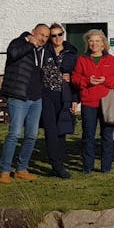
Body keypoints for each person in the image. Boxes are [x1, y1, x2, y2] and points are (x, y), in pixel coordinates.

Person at [0, 23, 50, 184]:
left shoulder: (42, 51)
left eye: (46, 37)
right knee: (14, 134)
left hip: (36, 98)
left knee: (32, 135)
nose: (43, 39)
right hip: (19, 97)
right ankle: (5, 171)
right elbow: (13, 54)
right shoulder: (18, 43)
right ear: (33, 32)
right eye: (41, 35)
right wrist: (29, 44)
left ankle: (21, 169)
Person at [72, 29, 114, 173]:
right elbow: (75, 78)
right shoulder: (82, 59)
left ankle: (106, 166)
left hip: (107, 101)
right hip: (89, 101)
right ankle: (87, 166)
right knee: (88, 135)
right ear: (88, 43)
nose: (94, 44)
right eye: (91, 41)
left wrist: (106, 80)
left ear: (103, 44)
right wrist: (87, 81)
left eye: (97, 41)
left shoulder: (111, 60)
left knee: (107, 134)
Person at [40, 23, 78, 179]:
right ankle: (56, 165)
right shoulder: (43, 51)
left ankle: (59, 163)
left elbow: (77, 75)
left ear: (64, 35)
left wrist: (75, 98)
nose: (57, 38)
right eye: (53, 35)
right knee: (50, 130)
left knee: (61, 130)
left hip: (64, 95)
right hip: (47, 94)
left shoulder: (71, 52)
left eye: (59, 34)